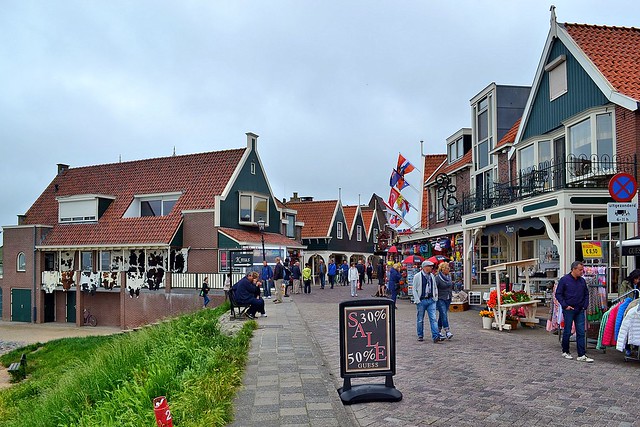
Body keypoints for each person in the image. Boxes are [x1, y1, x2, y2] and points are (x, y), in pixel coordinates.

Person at [556, 261, 593, 362]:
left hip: (580, 309)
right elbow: (558, 294)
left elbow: (586, 293)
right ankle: (566, 351)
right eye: (580, 270)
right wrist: (565, 305)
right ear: (574, 269)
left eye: (582, 269)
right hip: (569, 309)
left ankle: (581, 354)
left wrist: (585, 305)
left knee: (581, 332)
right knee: (567, 331)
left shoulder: (582, 281)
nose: (582, 272)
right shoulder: (564, 280)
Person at [411, 260, 441, 343]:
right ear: (424, 267)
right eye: (430, 266)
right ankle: (420, 335)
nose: (431, 268)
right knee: (420, 319)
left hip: (431, 300)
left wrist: (435, 297)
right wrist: (417, 300)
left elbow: (434, 287)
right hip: (422, 300)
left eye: (432, 266)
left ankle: (436, 336)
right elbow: (414, 289)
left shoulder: (432, 276)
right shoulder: (417, 276)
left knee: (433, 318)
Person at [435, 262, 454, 340]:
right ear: (442, 269)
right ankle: (447, 331)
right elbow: (435, 288)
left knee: (442, 315)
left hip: (448, 298)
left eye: (449, 268)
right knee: (444, 314)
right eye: (447, 268)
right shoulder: (438, 277)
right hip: (440, 298)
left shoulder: (449, 277)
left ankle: (438, 331)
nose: (448, 270)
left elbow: (450, 287)